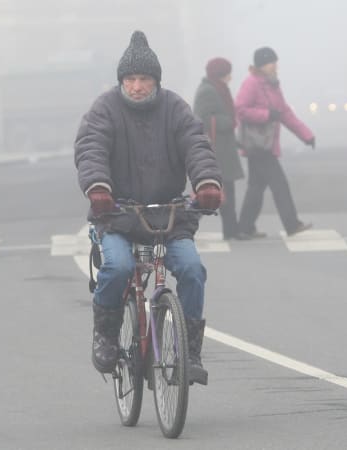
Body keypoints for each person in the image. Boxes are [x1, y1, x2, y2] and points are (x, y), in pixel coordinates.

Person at [75, 31, 223, 385]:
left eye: (144, 79)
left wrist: (206, 184)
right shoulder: (104, 109)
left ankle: (189, 351)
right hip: (116, 214)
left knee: (191, 268)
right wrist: (98, 189)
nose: (137, 86)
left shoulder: (174, 108)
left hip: (169, 214)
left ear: (156, 81)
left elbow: (196, 144)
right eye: (131, 79)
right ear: (121, 81)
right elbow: (91, 148)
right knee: (119, 266)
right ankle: (106, 334)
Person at [234, 47, 314, 240]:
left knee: (256, 187)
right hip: (258, 144)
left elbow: (285, 113)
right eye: (272, 62)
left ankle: (244, 228)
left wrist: (306, 135)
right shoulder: (251, 83)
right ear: (262, 65)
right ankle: (292, 224)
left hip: (266, 144)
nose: (275, 66)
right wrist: (267, 115)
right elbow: (240, 109)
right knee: (279, 184)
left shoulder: (272, 85)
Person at [193, 57, 244, 240]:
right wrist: (227, 122)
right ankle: (231, 230)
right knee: (216, 193)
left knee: (225, 192)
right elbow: (201, 118)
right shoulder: (208, 91)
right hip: (216, 151)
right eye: (228, 73)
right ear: (220, 74)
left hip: (223, 149)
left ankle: (232, 230)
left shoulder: (218, 89)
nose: (230, 77)